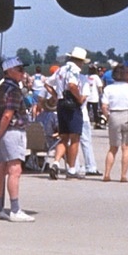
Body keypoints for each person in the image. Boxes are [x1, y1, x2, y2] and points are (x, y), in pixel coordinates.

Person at [0, 57, 34, 222]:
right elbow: (8, 115)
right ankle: (15, 209)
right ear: (9, 72)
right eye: (20, 69)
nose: (23, 73)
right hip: (12, 132)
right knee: (15, 170)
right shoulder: (13, 91)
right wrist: (0, 132)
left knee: (0, 169)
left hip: (0, 133)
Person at [47, 47, 89, 179]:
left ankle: (55, 162)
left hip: (61, 104)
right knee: (74, 137)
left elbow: (47, 83)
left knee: (63, 136)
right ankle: (71, 169)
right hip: (72, 106)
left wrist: (56, 96)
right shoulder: (75, 71)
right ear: (80, 61)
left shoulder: (61, 69)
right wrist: (79, 98)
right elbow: (72, 85)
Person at [101, 65, 128, 183]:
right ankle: (123, 175)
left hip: (114, 115)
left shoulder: (108, 89)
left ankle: (107, 174)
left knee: (113, 148)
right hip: (127, 115)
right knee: (126, 147)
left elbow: (104, 106)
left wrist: (108, 117)